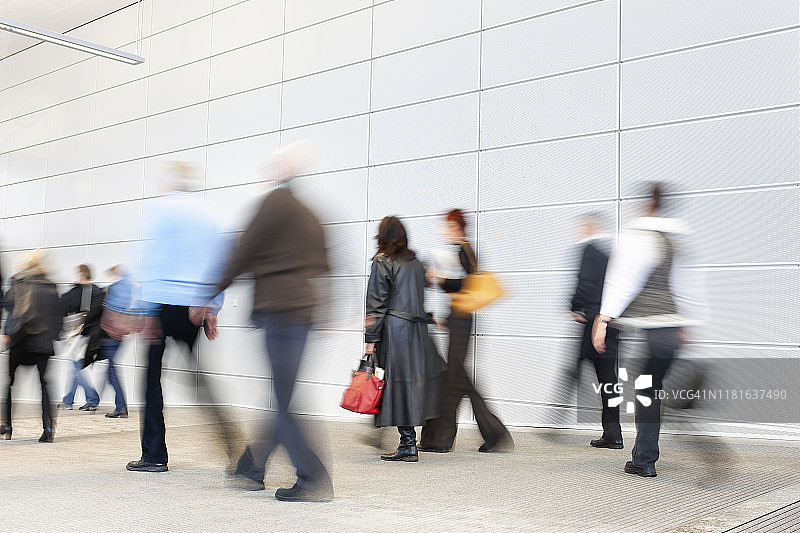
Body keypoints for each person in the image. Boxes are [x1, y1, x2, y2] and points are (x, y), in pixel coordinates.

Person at [221, 142, 334, 502]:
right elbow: (326, 266)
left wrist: (208, 293)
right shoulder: (310, 214)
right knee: (282, 394)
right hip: (302, 311)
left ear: (280, 173)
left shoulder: (275, 203)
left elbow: (244, 251)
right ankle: (251, 467)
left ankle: (313, 478)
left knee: (284, 402)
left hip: (280, 311)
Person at [125, 162, 229, 473]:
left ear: (171, 183)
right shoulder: (210, 215)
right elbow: (220, 263)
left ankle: (154, 455)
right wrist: (212, 308)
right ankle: (235, 449)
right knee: (199, 381)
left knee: (151, 382)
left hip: (160, 304)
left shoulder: (159, 212)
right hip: (193, 309)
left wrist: (142, 311)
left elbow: (143, 260)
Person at [592, 183, 695, 478]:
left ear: (648, 205)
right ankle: (645, 454)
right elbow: (685, 283)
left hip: (651, 327)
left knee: (647, 390)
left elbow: (621, 280)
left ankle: (644, 460)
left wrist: (603, 320)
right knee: (651, 388)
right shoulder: (676, 237)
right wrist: (686, 322)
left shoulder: (636, 236)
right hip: (671, 325)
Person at [419, 209, 513, 453]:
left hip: (461, 321)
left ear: (458, 228)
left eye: (449, 227)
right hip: (458, 319)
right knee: (455, 378)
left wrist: (440, 279)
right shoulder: (462, 251)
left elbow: (467, 284)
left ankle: (492, 433)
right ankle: (442, 439)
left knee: (458, 378)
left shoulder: (465, 250)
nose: (445, 231)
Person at [365, 216, 443, 463]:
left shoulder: (382, 261)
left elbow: (376, 301)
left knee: (397, 383)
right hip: (418, 330)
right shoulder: (417, 263)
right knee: (410, 383)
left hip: (396, 329)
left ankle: (408, 444)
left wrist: (371, 337)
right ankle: (406, 440)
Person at [569, 214, 623, 450]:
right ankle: (613, 434)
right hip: (611, 321)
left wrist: (574, 306)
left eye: (582, 226)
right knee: (608, 379)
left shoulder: (589, 250)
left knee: (574, 369)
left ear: (589, 227)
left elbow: (585, 282)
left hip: (593, 321)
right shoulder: (611, 254)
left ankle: (554, 417)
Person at [1, 250, 63, 442]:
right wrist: (54, 335)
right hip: (42, 342)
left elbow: (10, 308)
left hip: (19, 340)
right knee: (45, 384)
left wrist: (6, 332)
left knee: (10, 383)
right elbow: (57, 316)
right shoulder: (50, 286)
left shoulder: (18, 281)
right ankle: (48, 428)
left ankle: (7, 426)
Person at [57, 264, 104, 412]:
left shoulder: (79, 291)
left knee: (77, 367)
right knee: (75, 367)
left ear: (82, 275)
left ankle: (92, 399)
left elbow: (64, 305)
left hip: (78, 334)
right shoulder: (98, 291)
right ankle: (68, 400)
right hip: (92, 335)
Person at [96, 265, 139, 418]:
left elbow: (109, 309)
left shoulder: (116, 288)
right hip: (121, 335)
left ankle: (121, 407)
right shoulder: (130, 289)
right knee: (110, 372)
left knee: (112, 372)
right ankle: (108, 403)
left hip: (110, 335)